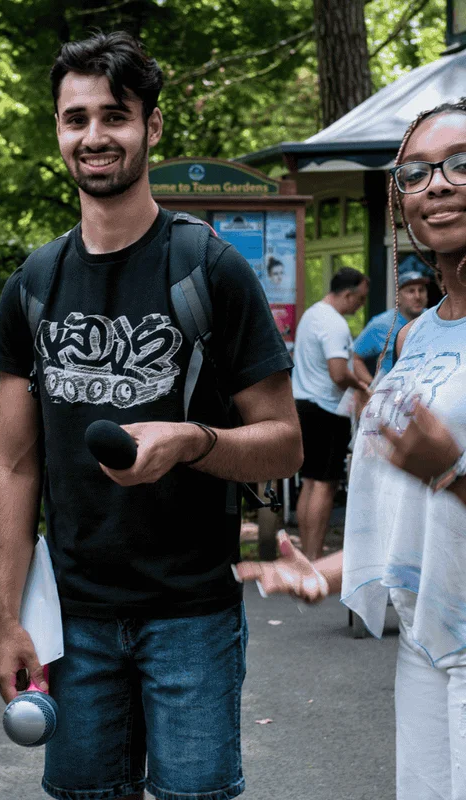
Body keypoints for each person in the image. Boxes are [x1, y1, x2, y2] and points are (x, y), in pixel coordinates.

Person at [0, 32, 302, 800]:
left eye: (115, 116)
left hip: (190, 614)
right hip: (73, 620)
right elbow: (13, 464)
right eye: (75, 118)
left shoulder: (209, 268)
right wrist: (4, 620)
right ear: (57, 130)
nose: (94, 137)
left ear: (152, 127)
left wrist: (194, 440)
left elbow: (284, 443)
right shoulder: (35, 281)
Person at [235, 99, 466, 800]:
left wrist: (452, 472)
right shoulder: (416, 336)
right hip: (431, 641)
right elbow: (412, 509)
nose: (438, 184)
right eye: (417, 172)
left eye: (461, 163)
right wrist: (330, 571)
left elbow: (442, 478)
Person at [291, 267, 370, 560]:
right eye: (360, 299)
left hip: (304, 405)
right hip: (327, 409)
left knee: (309, 483)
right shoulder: (334, 323)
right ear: (347, 294)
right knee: (324, 486)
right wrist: (362, 386)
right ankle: (314, 559)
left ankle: (307, 558)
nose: (360, 305)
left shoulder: (312, 314)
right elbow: (338, 374)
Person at [352, 270, 429, 378]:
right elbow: (354, 358)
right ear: (398, 298)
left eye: (421, 290)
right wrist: (371, 387)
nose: (417, 296)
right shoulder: (381, 324)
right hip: (392, 392)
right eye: (411, 291)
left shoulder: (434, 320)